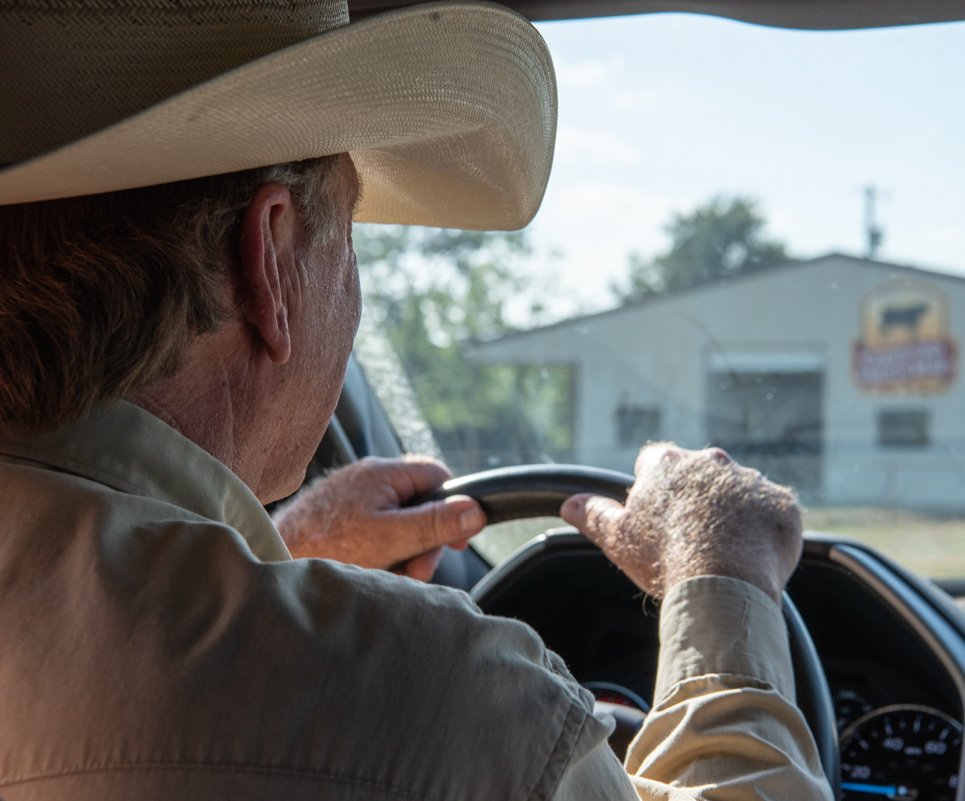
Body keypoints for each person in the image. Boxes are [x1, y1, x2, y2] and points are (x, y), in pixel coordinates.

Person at [0, 0, 833, 799]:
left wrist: (281, 556)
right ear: (271, 256)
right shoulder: (451, 704)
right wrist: (724, 580)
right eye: (351, 230)